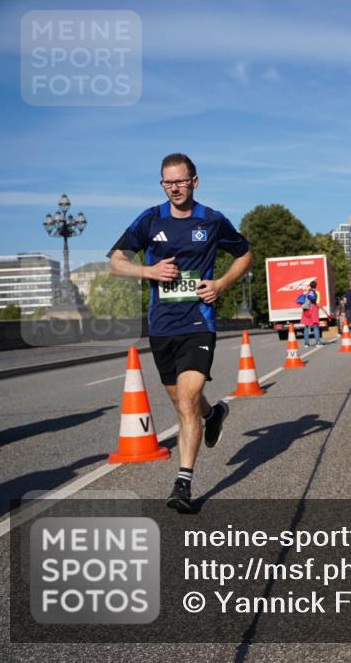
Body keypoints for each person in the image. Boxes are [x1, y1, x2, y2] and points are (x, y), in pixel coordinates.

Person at [108, 153, 251, 513]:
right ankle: (213, 415)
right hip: (161, 326)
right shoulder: (150, 219)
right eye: (167, 182)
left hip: (198, 322)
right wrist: (149, 272)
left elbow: (244, 255)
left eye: (180, 181)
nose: (174, 187)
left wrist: (220, 284)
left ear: (194, 182)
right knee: (182, 401)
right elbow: (116, 261)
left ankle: (183, 483)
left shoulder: (212, 220)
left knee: (186, 401)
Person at [300, 280, 323, 347]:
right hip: (313, 308)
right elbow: (317, 303)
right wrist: (322, 308)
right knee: (315, 326)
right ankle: (318, 342)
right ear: (316, 286)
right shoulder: (317, 292)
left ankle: (306, 343)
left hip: (306, 309)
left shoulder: (305, 292)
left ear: (310, 286)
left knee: (306, 326)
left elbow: (302, 301)